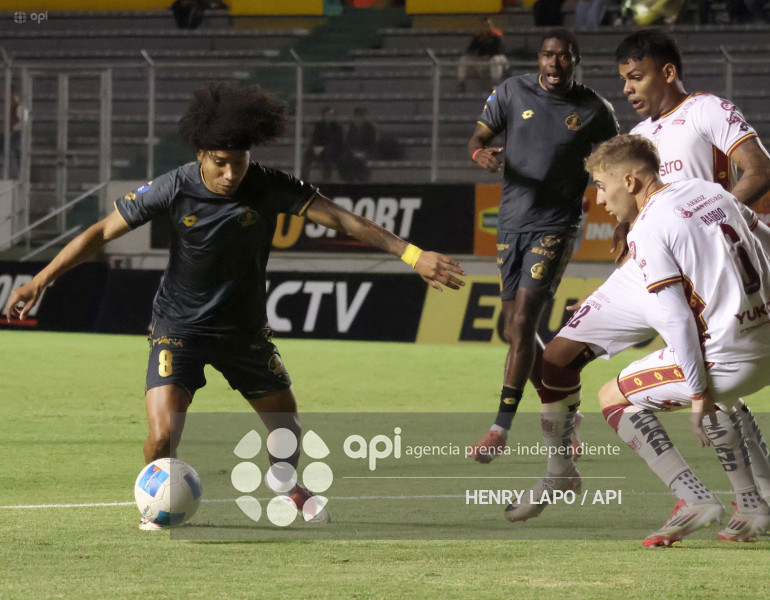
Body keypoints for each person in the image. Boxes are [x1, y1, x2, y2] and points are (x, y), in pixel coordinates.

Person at [3, 82, 466, 531]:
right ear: (202, 155)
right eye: (221, 164)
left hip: (244, 330)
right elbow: (102, 232)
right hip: (178, 327)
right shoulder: (173, 186)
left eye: (239, 164)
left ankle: (285, 482)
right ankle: (159, 504)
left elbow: (342, 217)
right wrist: (41, 279)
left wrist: (412, 254)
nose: (231, 175)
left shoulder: (268, 185)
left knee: (286, 425)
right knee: (163, 437)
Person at [504, 29, 770, 535]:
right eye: (623, 79)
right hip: (644, 266)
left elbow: (759, 169)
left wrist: (717, 221)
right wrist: (627, 229)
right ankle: (560, 471)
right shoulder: (641, 135)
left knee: (711, 382)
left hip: (694, 269)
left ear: (667, 72)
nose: (627, 87)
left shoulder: (705, 110)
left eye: (636, 76)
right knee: (556, 360)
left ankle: (751, 501)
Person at [589, 135, 770, 545]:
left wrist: (697, 394)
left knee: (610, 396)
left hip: (730, 360)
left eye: (602, 185)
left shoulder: (648, 227)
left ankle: (693, 497)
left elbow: (677, 317)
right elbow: (767, 238)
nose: (600, 199)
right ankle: (755, 504)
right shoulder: (711, 192)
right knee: (718, 388)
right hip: (766, 343)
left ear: (630, 181)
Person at [465, 29, 619, 463]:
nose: (555, 64)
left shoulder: (595, 110)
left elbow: (617, 166)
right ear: (539, 58)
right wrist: (480, 155)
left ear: (576, 61)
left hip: (556, 225)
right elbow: (477, 139)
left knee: (526, 317)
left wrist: (624, 219)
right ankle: (563, 413)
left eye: (564, 57)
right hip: (511, 223)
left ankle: (500, 428)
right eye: (548, 55)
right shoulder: (512, 91)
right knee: (516, 329)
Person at [456, 16, 510, 92]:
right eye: (484, 26)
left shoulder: (496, 35)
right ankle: (461, 83)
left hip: (498, 60)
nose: (487, 28)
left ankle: (495, 84)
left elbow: (499, 51)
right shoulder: (478, 36)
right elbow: (470, 51)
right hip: (483, 61)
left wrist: (487, 42)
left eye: (488, 25)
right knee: (464, 59)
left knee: (496, 59)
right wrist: (479, 40)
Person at [301, 106, 345, 182]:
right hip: (319, 151)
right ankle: (303, 179)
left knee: (327, 156)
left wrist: (324, 148)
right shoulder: (319, 126)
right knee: (307, 154)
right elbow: (314, 140)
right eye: (326, 115)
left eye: (330, 115)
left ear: (333, 117)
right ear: (323, 116)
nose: (328, 117)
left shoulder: (338, 128)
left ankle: (326, 179)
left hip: (332, 153)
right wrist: (314, 148)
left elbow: (338, 143)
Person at [340, 107, 377, 183]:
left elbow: (372, 145)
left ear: (363, 118)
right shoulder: (351, 128)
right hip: (352, 153)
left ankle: (357, 179)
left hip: (365, 153)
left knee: (357, 161)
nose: (358, 119)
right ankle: (347, 179)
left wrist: (363, 153)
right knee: (343, 158)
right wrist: (353, 152)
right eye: (356, 117)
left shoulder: (370, 129)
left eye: (360, 117)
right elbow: (347, 144)